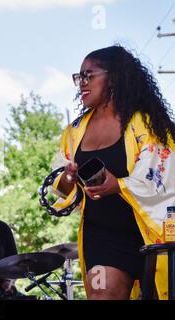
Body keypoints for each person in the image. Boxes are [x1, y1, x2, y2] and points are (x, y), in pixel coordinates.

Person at [53, 45, 175, 300]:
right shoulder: (74, 132)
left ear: (114, 77)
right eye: (78, 77)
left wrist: (118, 185)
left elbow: (164, 177)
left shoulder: (147, 123)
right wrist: (67, 179)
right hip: (103, 236)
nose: (81, 83)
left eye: (89, 75)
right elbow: (60, 192)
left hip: (149, 232)